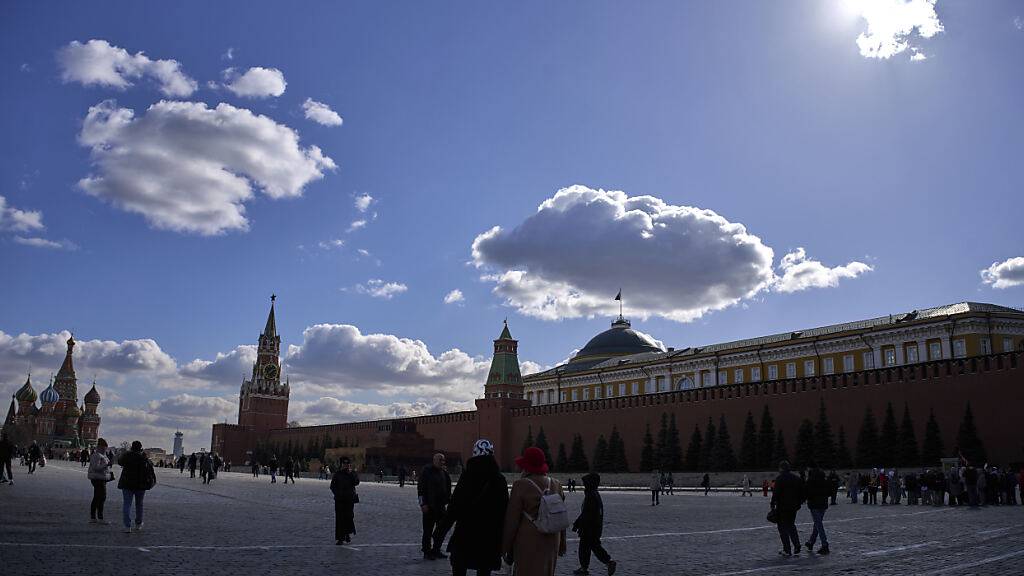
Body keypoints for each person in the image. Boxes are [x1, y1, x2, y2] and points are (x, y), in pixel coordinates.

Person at [436, 439, 508, 576]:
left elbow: (454, 507)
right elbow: (504, 512)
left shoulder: (467, 477)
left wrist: (440, 530)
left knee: (459, 568)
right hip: (489, 537)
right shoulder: (499, 480)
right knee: (484, 570)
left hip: (465, 534)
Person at [502, 446, 567, 576]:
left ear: (526, 466)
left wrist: (504, 548)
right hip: (552, 540)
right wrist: (562, 544)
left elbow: (512, 522)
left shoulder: (521, 485)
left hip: (528, 542)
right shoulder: (556, 484)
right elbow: (560, 516)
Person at [572, 472, 618, 576]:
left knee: (584, 549)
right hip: (594, 528)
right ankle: (608, 561)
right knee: (595, 547)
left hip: (589, 529)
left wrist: (579, 524)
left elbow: (587, 514)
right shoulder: (594, 494)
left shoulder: (591, 496)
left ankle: (585, 568)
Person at [419, 452, 452, 560]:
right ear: (434, 460)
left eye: (443, 460)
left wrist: (448, 500)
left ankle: (436, 549)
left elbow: (448, 488)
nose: (442, 462)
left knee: (441, 530)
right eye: (440, 460)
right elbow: (421, 489)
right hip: (429, 507)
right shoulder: (426, 472)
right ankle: (427, 551)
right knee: (427, 530)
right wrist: (422, 504)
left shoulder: (444, 473)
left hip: (441, 507)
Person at [118, 440, 155, 533]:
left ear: (132, 447)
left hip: (127, 484)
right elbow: (150, 467)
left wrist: (126, 453)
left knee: (127, 504)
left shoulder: (127, 456)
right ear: (140, 448)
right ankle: (138, 523)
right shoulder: (143, 457)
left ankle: (127, 526)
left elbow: (120, 461)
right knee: (139, 504)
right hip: (140, 484)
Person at [770, 460, 805, 557]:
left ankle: (787, 549)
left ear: (781, 468)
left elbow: (776, 493)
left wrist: (772, 504)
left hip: (782, 506)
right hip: (793, 507)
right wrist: (799, 503)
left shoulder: (780, 479)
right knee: (791, 526)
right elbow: (802, 492)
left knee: (782, 528)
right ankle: (797, 545)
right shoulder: (796, 478)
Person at [330, 457, 360, 544]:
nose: (345, 465)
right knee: (339, 519)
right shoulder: (337, 474)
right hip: (339, 500)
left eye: (347, 464)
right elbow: (332, 486)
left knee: (349, 517)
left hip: (349, 500)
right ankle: (340, 538)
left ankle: (347, 534)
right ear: (341, 465)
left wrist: (351, 473)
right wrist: (337, 493)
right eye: (344, 464)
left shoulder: (352, 473)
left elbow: (356, 482)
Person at [804, 465, 831, 555]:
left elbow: (807, 492)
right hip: (823, 504)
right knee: (817, 523)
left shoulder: (810, 480)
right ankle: (811, 542)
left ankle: (825, 544)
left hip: (814, 504)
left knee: (819, 524)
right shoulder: (824, 479)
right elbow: (829, 491)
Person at [87, 438, 113, 524]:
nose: (106, 448)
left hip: (101, 478)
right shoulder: (97, 455)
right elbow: (95, 467)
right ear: (102, 446)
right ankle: (99, 517)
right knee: (101, 497)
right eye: (105, 446)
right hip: (98, 478)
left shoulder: (102, 455)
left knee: (97, 497)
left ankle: (94, 517)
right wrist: (106, 464)